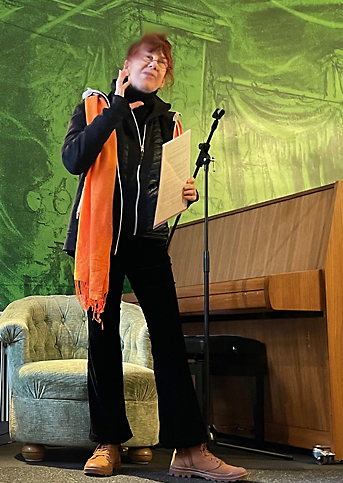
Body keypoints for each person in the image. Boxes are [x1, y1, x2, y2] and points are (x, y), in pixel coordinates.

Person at [62, 33, 248, 481]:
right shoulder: (94, 106)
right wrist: (115, 108)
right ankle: (108, 443)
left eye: (163, 61)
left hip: (148, 242)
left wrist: (185, 193)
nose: (156, 64)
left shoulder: (171, 123)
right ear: (126, 65)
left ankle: (189, 449)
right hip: (101, 242)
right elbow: (74, 159)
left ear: (166, 75)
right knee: (103, 342)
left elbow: (169, 186)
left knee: (169, 342)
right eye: (147, 57)